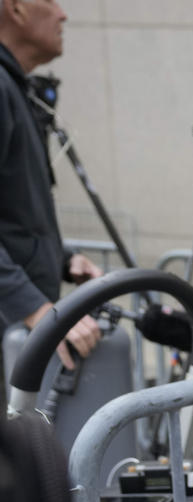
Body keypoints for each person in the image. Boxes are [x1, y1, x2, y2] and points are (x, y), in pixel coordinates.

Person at [0, 0, 102, 376]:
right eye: (51, 1)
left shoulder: (13, 87)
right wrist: (36, 309)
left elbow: (13, 214)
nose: (63, 14)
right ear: (17, 9)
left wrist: (62, 259)